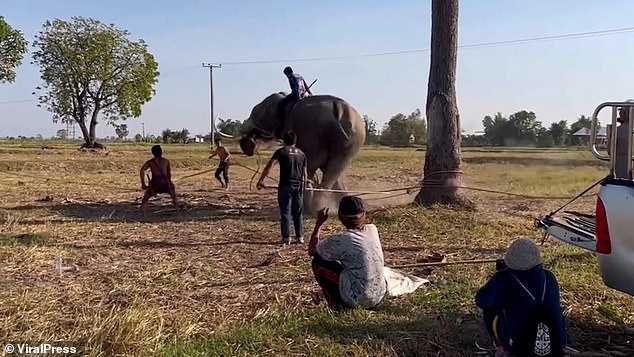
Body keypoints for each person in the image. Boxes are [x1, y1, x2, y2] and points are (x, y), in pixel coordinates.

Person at [475, 237, 567, 357]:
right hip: (555, 341)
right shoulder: (549, 277)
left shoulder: (504, 279)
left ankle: (503, 347)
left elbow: (481, 300)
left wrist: (500, 277)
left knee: (490, 309)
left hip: (519, 345)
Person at [307, 196, 387, 311]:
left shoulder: (340, 239)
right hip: (379, 296)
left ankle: (337, 304)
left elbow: (312, 251)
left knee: (318, 262)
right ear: (364, 214)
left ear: (340, 217)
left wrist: (319, 223)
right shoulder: (372, 229)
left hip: (358, 299)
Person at [257, 131, 308, 244]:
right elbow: (305, 174)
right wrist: (303, 187)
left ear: (284, 141)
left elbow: (270, 165)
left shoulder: (281, 152)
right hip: (298, 185)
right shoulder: (301, 154)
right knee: (297, 212)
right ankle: (300, 237)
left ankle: (286, 238)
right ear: (296, 141)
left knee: (286, 211)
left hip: (285, 185)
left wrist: (261, 180)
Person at [140, 145, 178, 215]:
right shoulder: (166, 161)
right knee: (173, 195)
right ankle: (177, 210)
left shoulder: (150, 162)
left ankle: (143, 213)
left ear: (152, 153)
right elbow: (169, 175)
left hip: (155, 183)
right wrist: (169, 184)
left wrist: (143, 184)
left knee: (145, 199)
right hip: (165, 182)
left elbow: (142, 171)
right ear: (161, 152)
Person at [276, 66, 313, 137]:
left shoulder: (291, 78)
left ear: (287, 73)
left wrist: (298, 99)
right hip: (305, 94)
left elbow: (296, 88)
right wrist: (310, 93)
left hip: (296, 95)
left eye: (286, 75)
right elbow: (306, 85)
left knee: (282, 104)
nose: (286, 76)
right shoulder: (299, 76)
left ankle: (281, 122)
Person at [608, 99, 634, 179]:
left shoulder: (618, 131)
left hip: (621, 170)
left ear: (626, 113)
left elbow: (610, 151)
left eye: (621, 111)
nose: (619, 113)